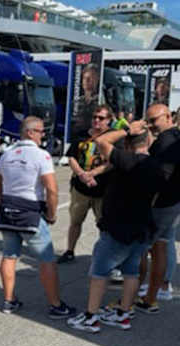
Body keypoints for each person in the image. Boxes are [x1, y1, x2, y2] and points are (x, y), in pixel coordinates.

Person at [67, 123, 167, 332]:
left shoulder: (127, 160)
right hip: (141, 226)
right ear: (148, 141)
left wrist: (126, 130)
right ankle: (123, 314)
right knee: (131, 272)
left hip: (118, 226)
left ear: (128, 144)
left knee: (99, 271)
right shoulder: (156, 166)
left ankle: (91, 317)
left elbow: (101, 141)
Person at [0, 116, 76, 318]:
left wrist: (1, 202)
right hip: (30, 212)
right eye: (40, 131)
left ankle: (9, 301)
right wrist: (52, 214)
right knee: (47, 260)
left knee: (9, 255)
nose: (43, 134)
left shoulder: (7, 154)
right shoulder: (41, 156)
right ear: (29, 132)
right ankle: (56, 305)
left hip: (8, 210)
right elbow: (52, 189)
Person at [135, 104, 180, 314]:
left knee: (141, 248)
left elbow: (159, 176)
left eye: (154, 120)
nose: (151, 125)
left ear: (168, 117)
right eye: (149, 121)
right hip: (176, 201)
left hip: (161, 204)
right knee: (160, 246)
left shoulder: (166, 141)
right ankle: (152, 296)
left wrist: (150, 196)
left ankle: (133, 295)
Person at [57, 104, 114, 264]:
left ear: (109, 120)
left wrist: (92, 174)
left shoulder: (113, 138)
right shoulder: (81, 135)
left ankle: (105, 256)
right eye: (95, 117)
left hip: (103, 190)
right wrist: (82, 174)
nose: (96, 120)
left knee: (104, 225)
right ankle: (69, 251)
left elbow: (112, 162)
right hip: (80, 189)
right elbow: (72, 157)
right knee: (75, 221)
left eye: (101, 118)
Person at [71, 63, 100, 139]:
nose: (87, 81)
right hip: (77, 136)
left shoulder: (99, 101)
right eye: (85, 78)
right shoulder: (77, 101)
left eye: (90, 78)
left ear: (96, 80)